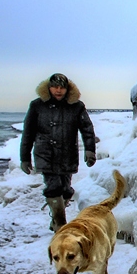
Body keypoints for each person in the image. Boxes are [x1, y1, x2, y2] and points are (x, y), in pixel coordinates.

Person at [20, 73, 97, 232]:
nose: (58, 90)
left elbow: (87, 129)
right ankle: (61, 225)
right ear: (49, 88)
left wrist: (90, 150)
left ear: (67, 89)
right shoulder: (37, 105)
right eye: (55, 87)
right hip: (45, 154)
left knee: (66, 190)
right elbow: (28, 132)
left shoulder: (76, 106)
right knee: (53, 187)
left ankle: (56, 218)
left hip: (67, 154)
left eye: (62, 87)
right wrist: (25, 157)